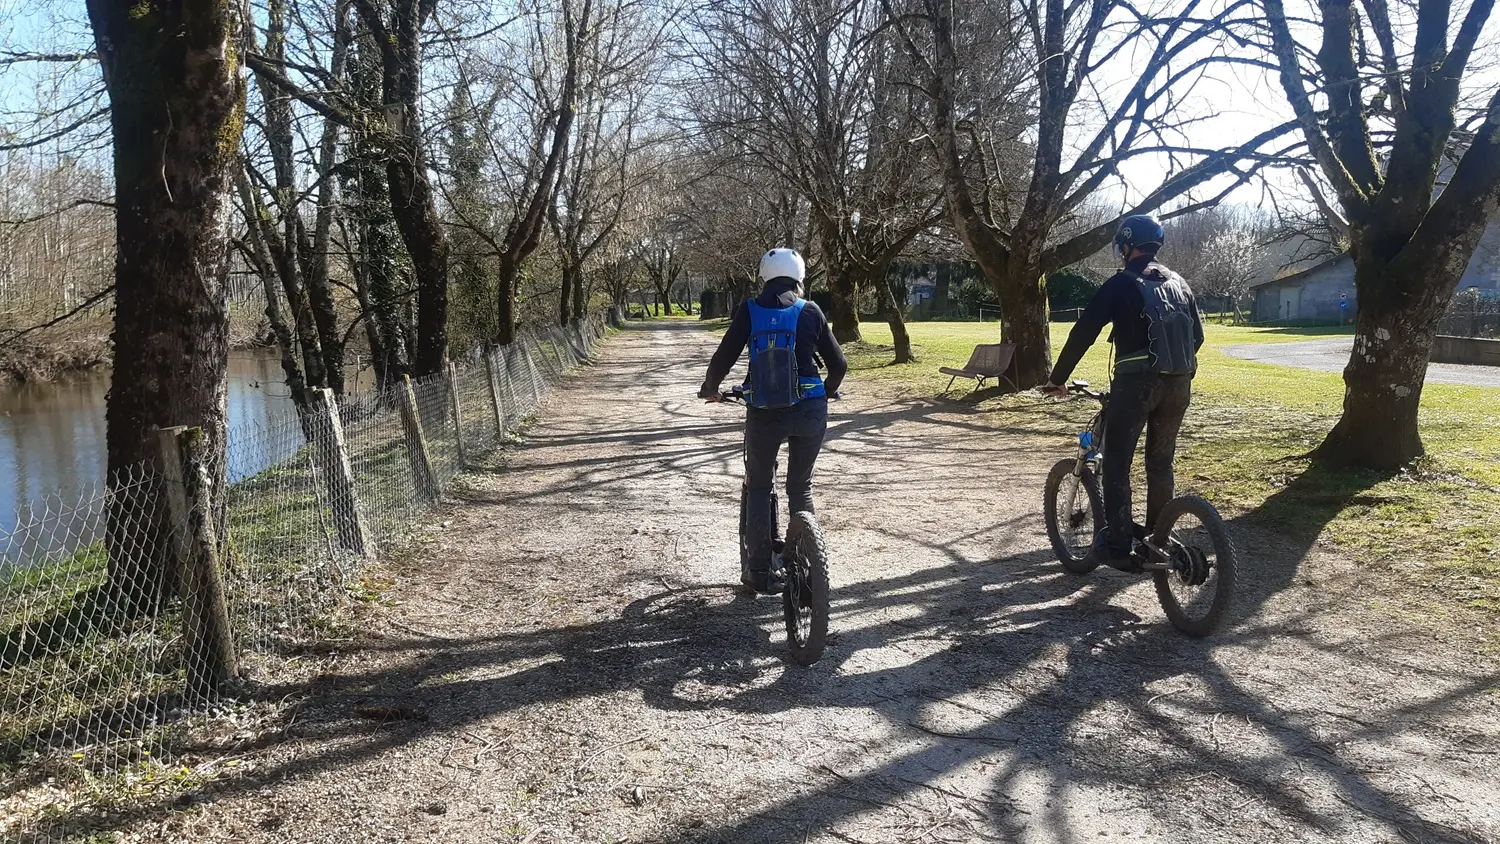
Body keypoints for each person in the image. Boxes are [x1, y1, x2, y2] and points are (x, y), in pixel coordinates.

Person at [1041, 214, 1204, 568]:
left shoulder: (1122, 283)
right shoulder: (1180, 284)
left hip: (1136, 385)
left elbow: (1083, 332)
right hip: (1179, 385)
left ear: (1127, 247)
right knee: (1160, 465)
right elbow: (1198, 339)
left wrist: (1058, 378)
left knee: (1116, 464)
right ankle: (1155, 542)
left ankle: (1116, 546)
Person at [699, 248, 848, 593]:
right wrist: (826, 391)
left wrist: (711, 387)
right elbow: (839, 366)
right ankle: (806, 563)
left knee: (760, 485)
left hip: (764, 413)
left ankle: (759, 570)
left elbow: (724, 355)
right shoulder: (810, 310)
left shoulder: (750, 310)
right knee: (801, 486)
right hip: (810, 411)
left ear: (764, 275)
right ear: (799, 275)